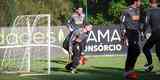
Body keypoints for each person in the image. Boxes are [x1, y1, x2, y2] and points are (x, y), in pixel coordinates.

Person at [120, 0, 142, 79]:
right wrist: (122, 34)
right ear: (135, 1)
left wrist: (142, 32)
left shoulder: (138, 10)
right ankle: (129, 70)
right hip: (129, 31)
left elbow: (138, 22)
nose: (141, 3)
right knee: (135, 50)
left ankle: (128, 71)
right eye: (140, 1)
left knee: (133, 51)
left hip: (136, 32)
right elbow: (122, 22)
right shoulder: (127, 10)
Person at [142, 0, 160, 72]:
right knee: (159, 52)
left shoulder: (149, 11)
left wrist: (143, 32)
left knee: (145, 49)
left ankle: (149, 64)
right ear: (157, 3)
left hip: (156, 33)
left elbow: (146, 23)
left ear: (150, 3)